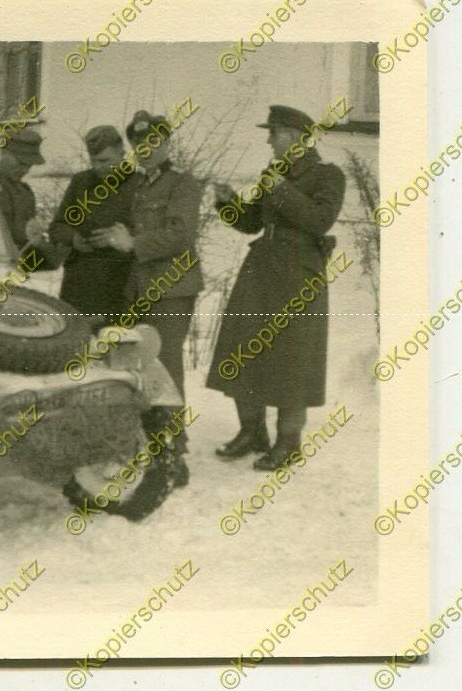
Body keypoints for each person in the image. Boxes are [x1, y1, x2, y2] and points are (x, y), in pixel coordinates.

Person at [209, 105, 346, 470]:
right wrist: (228, 204)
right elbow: (252, 222)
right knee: (242, 346)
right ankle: (253, 432)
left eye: (274, 133)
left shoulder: (327, 175)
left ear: (295, 136)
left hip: (298, 273)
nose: (269, 140)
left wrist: (282, 189)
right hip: (261, 269)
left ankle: (289, 442)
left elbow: (319, 220)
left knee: (291, 357)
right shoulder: (273, 172)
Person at [118, 110, 204, 401]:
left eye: (153, 142)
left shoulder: (183, 183)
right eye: (139, 144)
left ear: (167, 144)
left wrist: (133, 243)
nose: (146, 150)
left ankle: (174, 439)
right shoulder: (141, 186)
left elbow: (180, 234)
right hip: (141, 287)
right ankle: (153, 433)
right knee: (141, 360)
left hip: (172, 288)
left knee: (165, 361)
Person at [48, 125, 136, 329]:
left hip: (118, 284)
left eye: (105, 160)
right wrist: (74, 239)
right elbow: (57, 227)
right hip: (80, 285)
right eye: (94, 161)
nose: (98, 167)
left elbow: (148, 234)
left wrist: (118, 238)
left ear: (121, 152)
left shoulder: (138, 184)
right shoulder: (81, 182)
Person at [0, 127, 47, 252]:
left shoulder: (25, 192)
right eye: (21, 163)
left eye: (29, 165)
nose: (25, 170)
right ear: (5, 154)